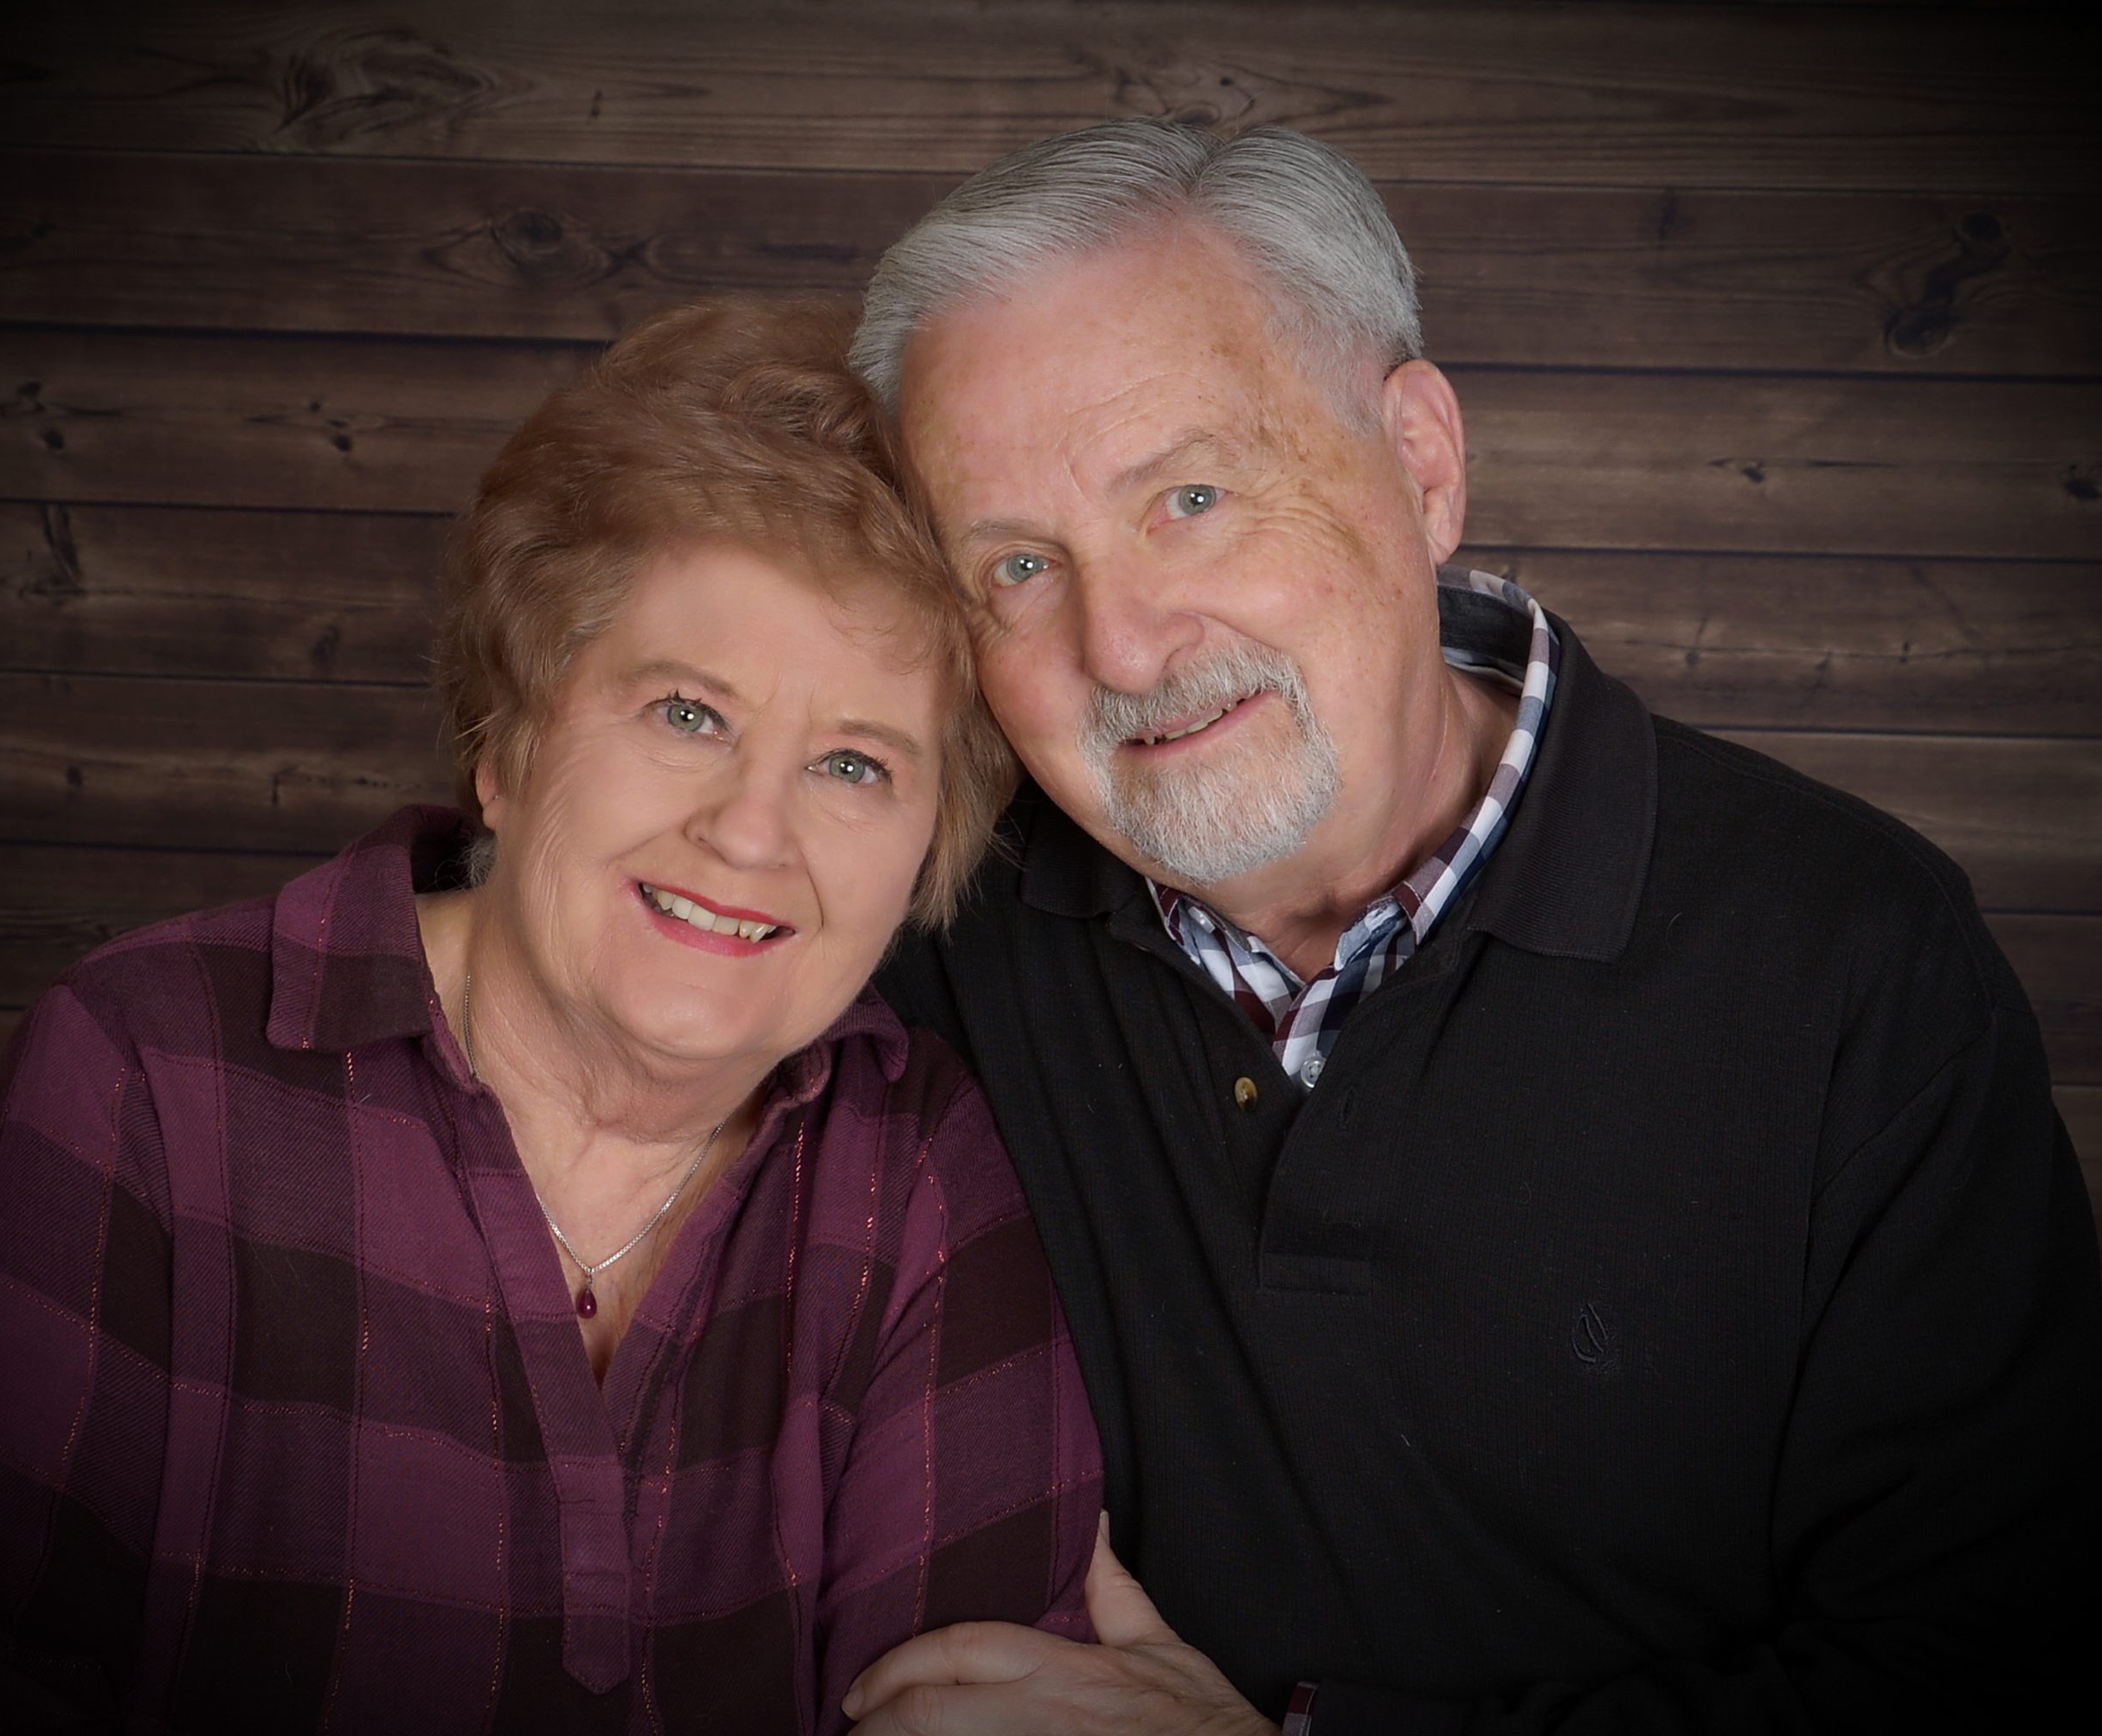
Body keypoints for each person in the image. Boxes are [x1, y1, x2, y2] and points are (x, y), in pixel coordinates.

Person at [837, 121, 2102, 1733]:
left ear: (1422, 465)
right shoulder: (926, 921)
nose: (1128, 646)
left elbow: (1985, 1670)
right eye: (1019, 564)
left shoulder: (1856, 960)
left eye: (1193, 498)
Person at [0, 299, 1102, 1733]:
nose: (749, 834)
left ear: (927, 854)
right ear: (509, 743)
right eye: (688, 714)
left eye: (854, 766)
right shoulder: (147, 1070)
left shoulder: (923, 1165)